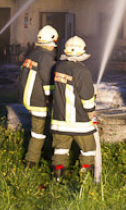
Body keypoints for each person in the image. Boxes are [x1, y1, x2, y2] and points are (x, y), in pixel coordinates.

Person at [49, 36, 97, 182]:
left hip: (60, 119)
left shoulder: (59, 67)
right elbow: (87, 96)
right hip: (80, 120)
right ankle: (85, 178)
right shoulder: (82, 71)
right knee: (88, 149)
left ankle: (58, 178)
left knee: (60, 150)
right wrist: (91, 112)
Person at [18, 25, 58, 168]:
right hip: (38, 100)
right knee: (38, 132)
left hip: (28, 97)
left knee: (42, 128)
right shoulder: (46, 57)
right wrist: (53, 99)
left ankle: (43, 154)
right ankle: (32, 162)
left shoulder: (33, 54)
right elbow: (48, 82)